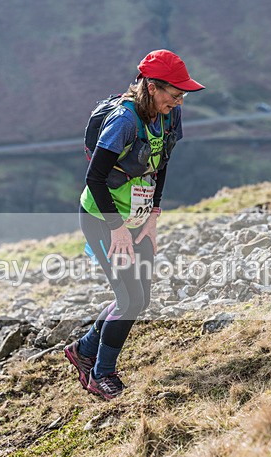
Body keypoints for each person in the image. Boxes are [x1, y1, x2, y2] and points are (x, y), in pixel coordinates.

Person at [65, 50, 204, 400]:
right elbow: (95, 178)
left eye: (182, 95)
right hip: (102, 219)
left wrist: (153, 217)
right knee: (128, 300)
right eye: (174, 94)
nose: (179, 100)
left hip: (138, 219)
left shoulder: (170, 117)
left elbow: (162, 164)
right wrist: (117, 228)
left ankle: (83, 350)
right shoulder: (124, 121)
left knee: (140, 299)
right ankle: (101, 375)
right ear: (152, 87)